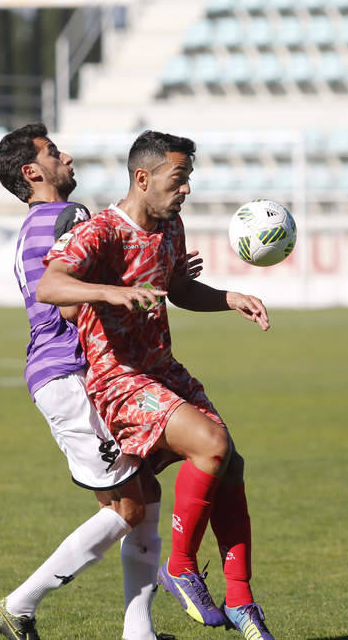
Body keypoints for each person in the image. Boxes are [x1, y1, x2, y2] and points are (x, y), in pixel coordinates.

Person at [37, 130, 275, 640]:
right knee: (211, 444)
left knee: (230, 461)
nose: (186, 189)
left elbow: (179, 288)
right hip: (118, 377)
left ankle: (241, 599)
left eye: (189, 178)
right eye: (179, 178)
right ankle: (181, 568)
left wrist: (228, 297)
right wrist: (112, 292)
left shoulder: (171, 226)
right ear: (142, 178)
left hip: (161, 368)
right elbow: (51, 286)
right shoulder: (101, 231)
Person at [0, 123, 192, 640]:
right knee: (126, 507)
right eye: (55, 153)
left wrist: (162, 274)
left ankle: (138, 633)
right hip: (72, 371)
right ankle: (20, 604)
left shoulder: (36, 222)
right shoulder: (68, 216)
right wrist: (138, 282)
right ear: (33, 172)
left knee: (142, 496)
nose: (68, 158)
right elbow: (65, 288)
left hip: (64, 371)